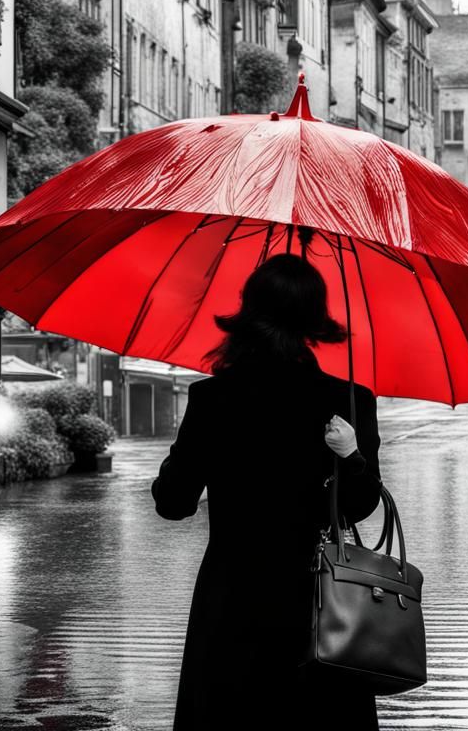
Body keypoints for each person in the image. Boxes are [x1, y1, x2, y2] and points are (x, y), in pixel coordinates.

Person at [152, 252, 383, 731]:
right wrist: (351, 455)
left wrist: (182, 457)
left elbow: (173, 504)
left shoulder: (213, 398)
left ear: (249, 311)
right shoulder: (348, 400)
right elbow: (360, 506)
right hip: (320, 604)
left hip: (231, 603)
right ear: (315, 318)